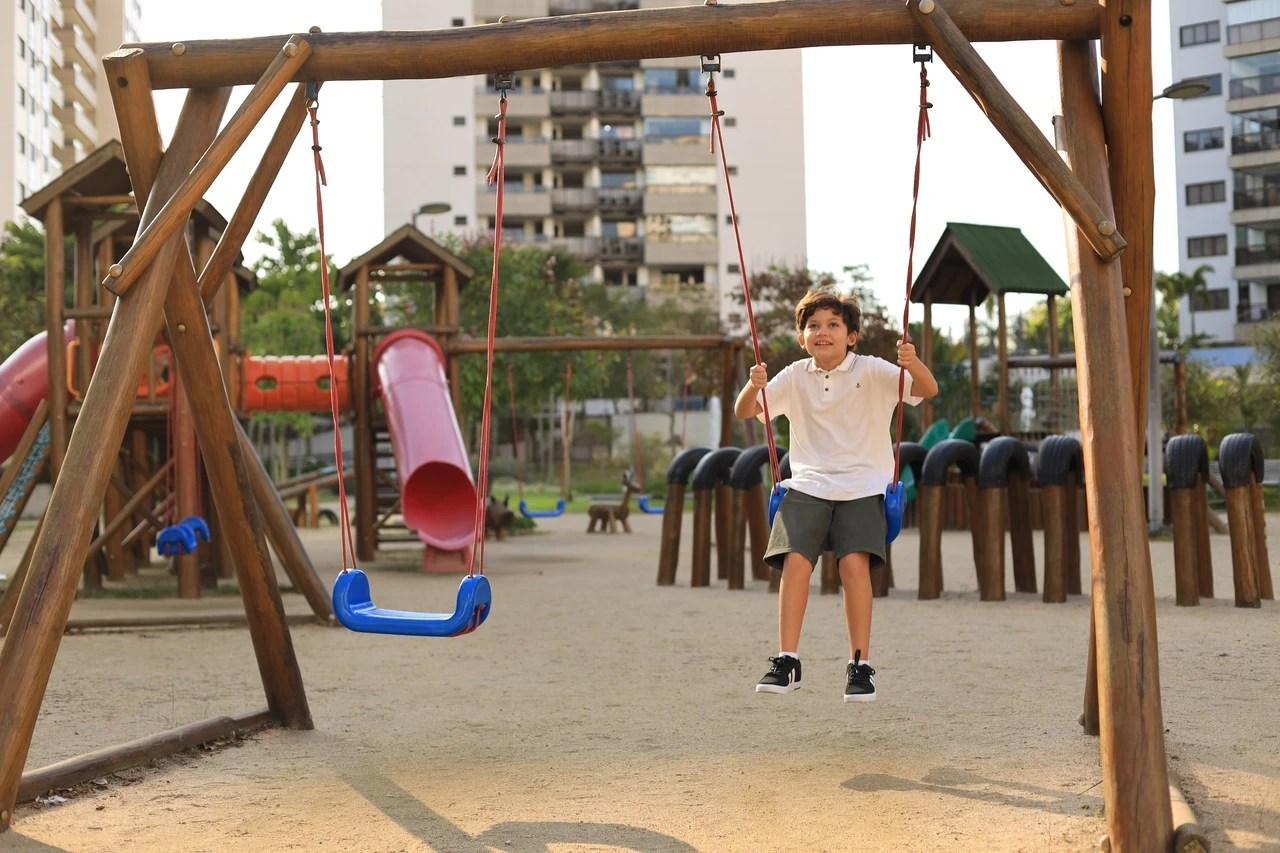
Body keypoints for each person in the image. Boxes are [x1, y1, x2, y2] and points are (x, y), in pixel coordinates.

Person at [733, 288, 938, 702]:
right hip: (808, 484)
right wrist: (753, 387)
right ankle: (787, 660)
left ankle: (859, 664)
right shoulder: (794, 376)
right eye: (813, 326)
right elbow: (744, 411)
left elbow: (927, 389)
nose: (822, 332)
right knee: (795, 561)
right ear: (802, 338)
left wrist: (912, 361)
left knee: (853, 564)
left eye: (833, 324)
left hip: (864, 485)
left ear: (851, 336)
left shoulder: (873, 370)